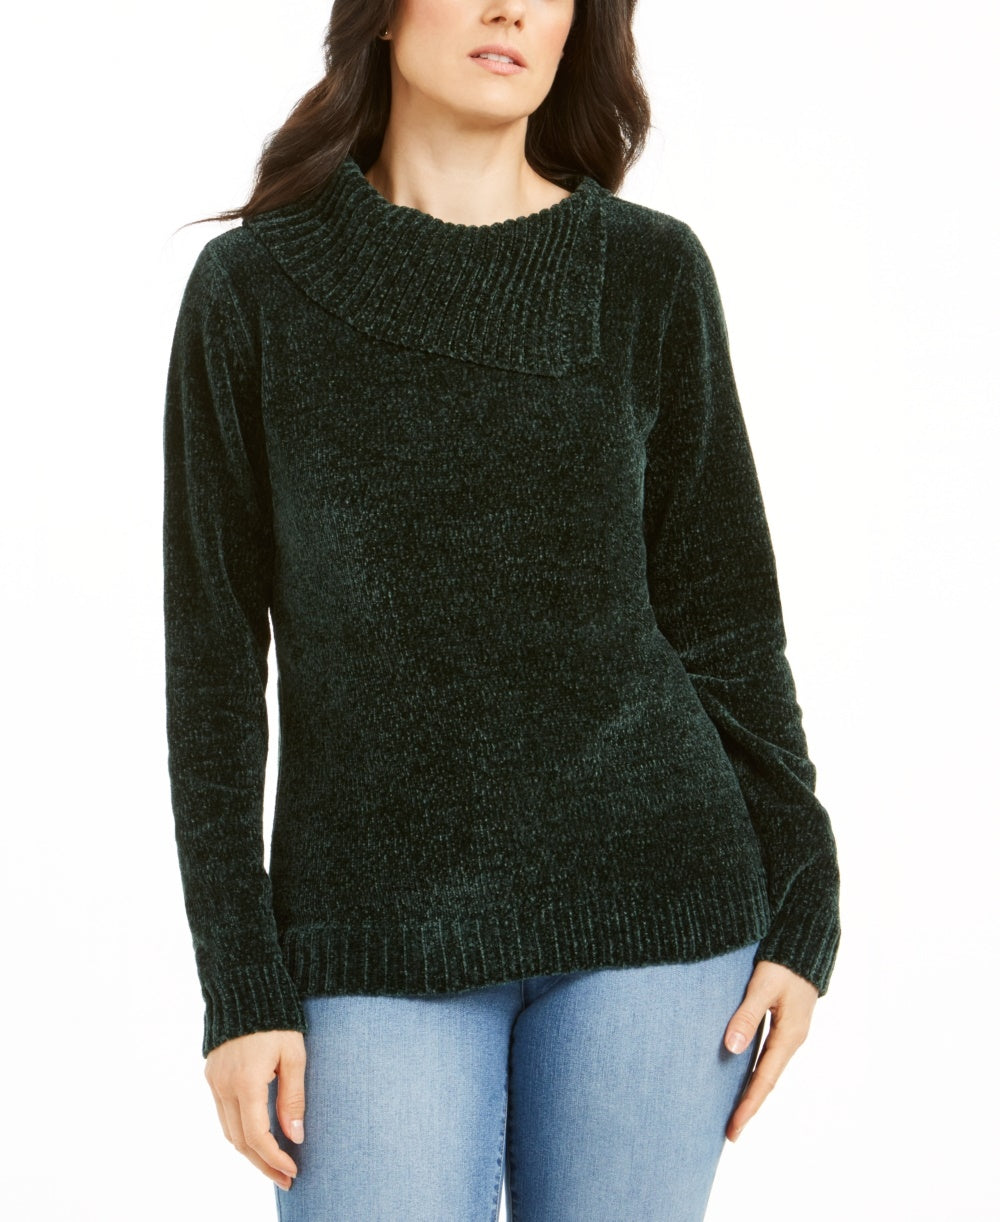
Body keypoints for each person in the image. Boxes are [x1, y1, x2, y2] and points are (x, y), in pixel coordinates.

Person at [161, 1, 841, 1219]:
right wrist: (239, 983)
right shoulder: (253, 288)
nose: (511, 8)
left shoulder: (647, 271)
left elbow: (727, 619)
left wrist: (805, 897)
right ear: (380, 16)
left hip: (657, 905)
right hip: (369, 925)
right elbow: (213, 663)